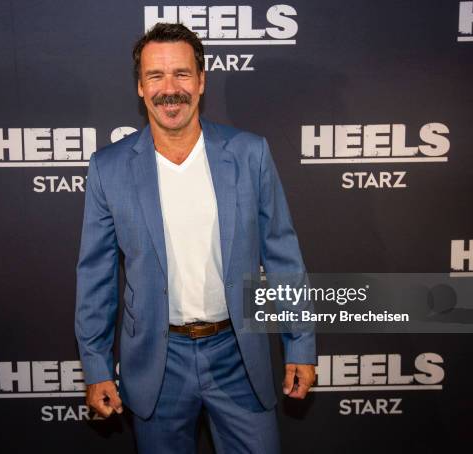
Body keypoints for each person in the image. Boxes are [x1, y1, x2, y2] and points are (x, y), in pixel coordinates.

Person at [75, 22, 315, 454]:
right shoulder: (108, 168)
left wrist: (300, 342)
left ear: (201, 81)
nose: (171, 89)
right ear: (140, 87)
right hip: (155, 362)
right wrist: (95, 364)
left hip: (237, 354)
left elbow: (283, 256)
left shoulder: (249, 153)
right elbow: (96, 277)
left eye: (182, 74)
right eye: (156, 76)